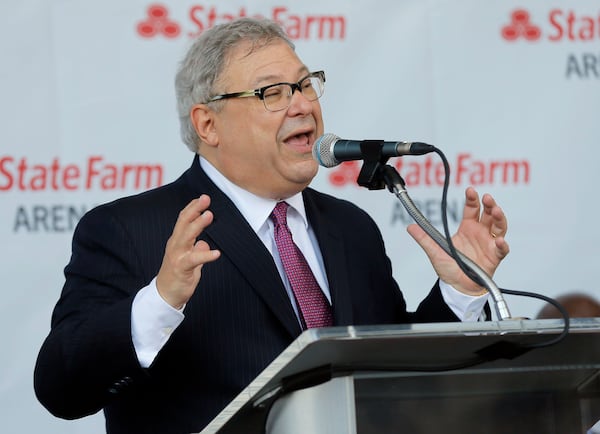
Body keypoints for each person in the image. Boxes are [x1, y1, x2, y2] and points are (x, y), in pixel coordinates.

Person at [34, 17, 509, 434]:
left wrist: (461, 291)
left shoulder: (351, 228)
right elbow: (62, 388)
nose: (302, 105)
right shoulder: (130, 229)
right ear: (208, 124)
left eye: (305, 85)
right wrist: (160, 301)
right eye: (272, 93)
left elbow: (394, 376)